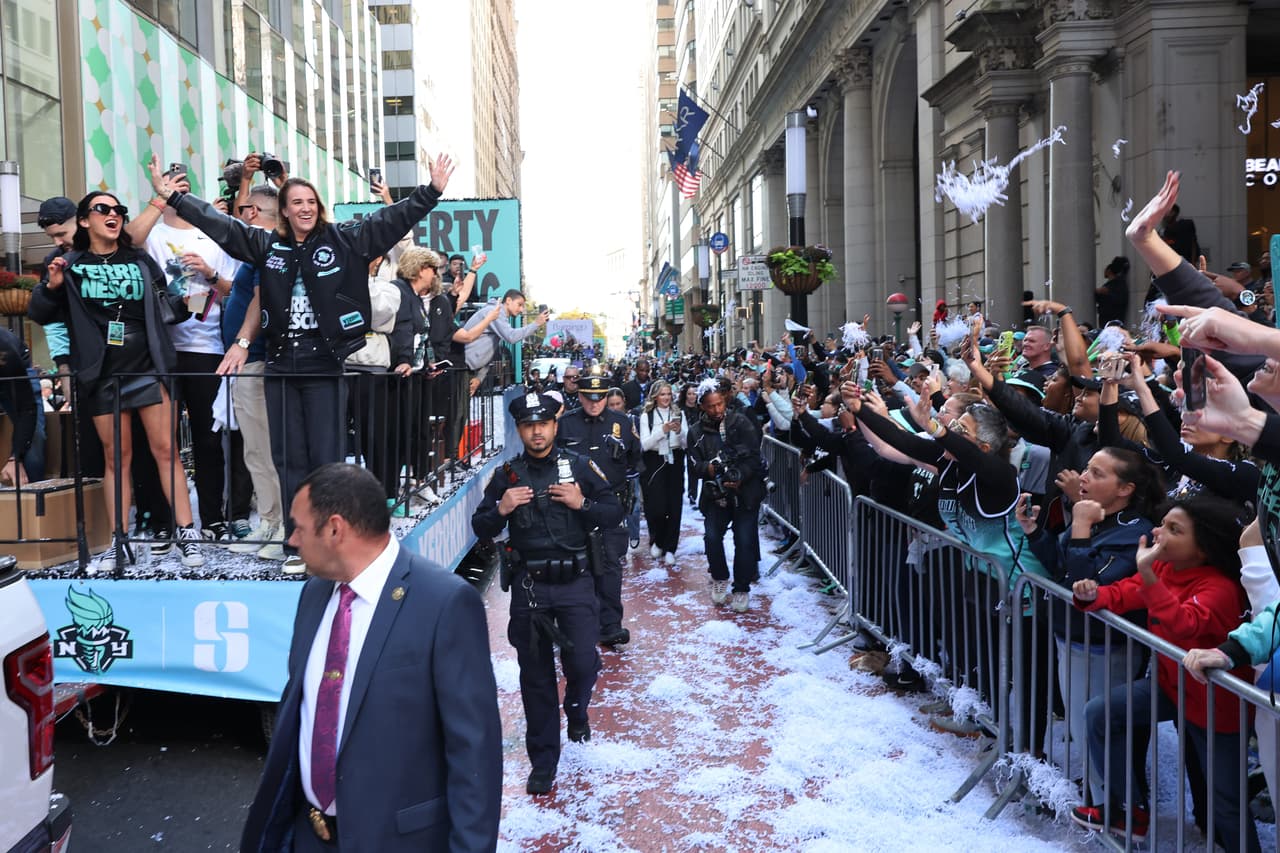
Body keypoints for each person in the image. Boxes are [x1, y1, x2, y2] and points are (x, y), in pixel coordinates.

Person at [178, 155, 455, 572]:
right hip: (280, 368)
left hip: (324, 366)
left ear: (318, 206)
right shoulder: (269, 245)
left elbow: (390, 221)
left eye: (311, 201)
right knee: (288, 458)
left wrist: (430, 191)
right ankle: (298, 545)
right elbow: (224, 228)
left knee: (326, 460)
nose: (305, 207)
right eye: (296, 202)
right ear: (285, 210)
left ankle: (331, 543)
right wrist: (178, 202)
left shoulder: (343, 240)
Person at [241, 464, 502, 851]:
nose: (291, 540)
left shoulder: (444, 603)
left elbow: (474, 752)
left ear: (334, 529)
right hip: (308, 837)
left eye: (297, 527)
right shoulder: (314, 595)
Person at [29, 191, 203, 570]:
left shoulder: (140, 258)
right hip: (101, 373)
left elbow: (173, 301)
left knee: (165, 451)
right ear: (85, 220)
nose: (114, 214)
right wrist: (52, 286)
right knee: (116, 458)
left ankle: (188, 535)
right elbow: (40, 314)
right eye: (103, 209)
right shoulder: (68, 262)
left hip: (148, 366)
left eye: (119, 210)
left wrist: (186, 288)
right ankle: (118, 541)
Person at [1071, 496, 1257, 852]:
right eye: (1163, 523)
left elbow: (1184, 623)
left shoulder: (1219, 588)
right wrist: (1092, 595)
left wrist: (1147, 576)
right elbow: (1126, 594)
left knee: (1225, 803)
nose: (1158, 532)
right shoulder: (1167, 570)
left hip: (1218, 708)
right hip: (1172, 687)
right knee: (1101, 712)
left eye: (1174, 530)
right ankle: (1128, 809)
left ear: (1203, 549)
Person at [470, 392, 622, 794]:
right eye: (528, 425)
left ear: (555, 425)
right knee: (535, 678)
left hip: (575, 582)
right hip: (530, 588)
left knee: (583, 663)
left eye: (543, 423)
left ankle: (576, 708)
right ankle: (543, 761)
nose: (536, 431)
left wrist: (582, 502)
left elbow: (613, 512)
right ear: (520, 430)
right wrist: (500, 509)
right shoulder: (507, 475)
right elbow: (480, 527)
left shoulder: (579, 466)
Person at [222, 186, 285, 561]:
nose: (243, 215)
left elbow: (262, 300)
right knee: (256, 451)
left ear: (258, 212)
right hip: (251, 363)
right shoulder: (260, 251)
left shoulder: (268, 249)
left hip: (257, 361)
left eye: (248, 209)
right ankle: (269, 522)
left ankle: (277, 527)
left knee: (264, 449)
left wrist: (243, 344)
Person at [557, 373, 642, 645]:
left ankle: (610, 626)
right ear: (579, 396)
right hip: (573, 506)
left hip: (609, 505)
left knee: (609, 568)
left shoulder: (622, 423)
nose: (594, 403)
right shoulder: (565, 424)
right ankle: (572, 626)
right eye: (588, 397)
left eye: (600, 398)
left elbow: (634, 462)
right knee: (572, 566)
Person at [687, 378, 765, 612]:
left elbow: (754, 457)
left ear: (725, 400)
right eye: (711, 405)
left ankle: (741, 588)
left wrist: (740, 474)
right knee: (711, 537)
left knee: (744, 541)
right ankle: (720, 577)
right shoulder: (695, 432)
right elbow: (693, 465)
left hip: (745, 493)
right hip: (715, 495)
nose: (716, 409)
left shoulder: (741, 422)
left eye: (719, 404)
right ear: (702, 405)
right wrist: (708, 469)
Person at [638, 380, 687, 564]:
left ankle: (670, 547)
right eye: (662, 394)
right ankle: (657, 539)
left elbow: (686, 443)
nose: (666, 397)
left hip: (675, 459)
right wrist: (662, 430)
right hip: (654, 460)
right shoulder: (646, 416)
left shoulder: (678, 414)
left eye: (668, 394)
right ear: (655, 396)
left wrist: (680, 431)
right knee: (656, 506)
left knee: (674, 506)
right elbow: (644, 444)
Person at [1095, 256, 1130, 326]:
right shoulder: (1116, 283)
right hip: (1107, 318)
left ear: (1109, 271)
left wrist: (1106, 292)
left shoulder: (1118, 283)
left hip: (1112, 318)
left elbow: (1119, 299)